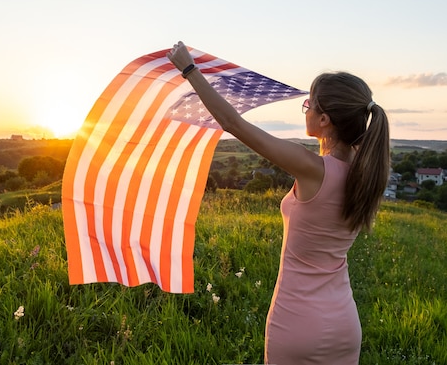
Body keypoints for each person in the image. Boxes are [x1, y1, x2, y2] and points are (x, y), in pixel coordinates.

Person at [167, 41, 390, 365]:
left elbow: (234, 124)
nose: (306, 109)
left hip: (298, 323)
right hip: (344, 323)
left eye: (309, 105)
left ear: (325, 119)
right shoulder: (366, 170)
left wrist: (190, 70)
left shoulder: (313, 168)